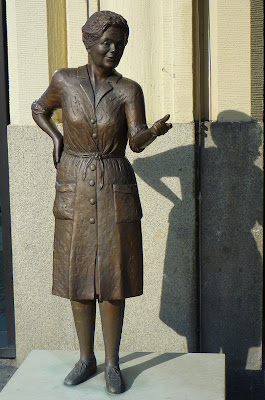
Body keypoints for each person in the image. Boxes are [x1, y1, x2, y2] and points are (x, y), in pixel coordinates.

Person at [31, 10, 172, 394]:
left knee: (113, 278)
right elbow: (39, 108)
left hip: (113, 182)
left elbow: (136, 141)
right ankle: (85, 358)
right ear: (89, 42)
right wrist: (57, 138)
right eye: (107, 42)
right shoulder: (64, 80)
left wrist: (153, 133)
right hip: (74, 182)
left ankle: (112, 362)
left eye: (121, 44)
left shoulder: (129, 90)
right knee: (78, 277)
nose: (114, 50)